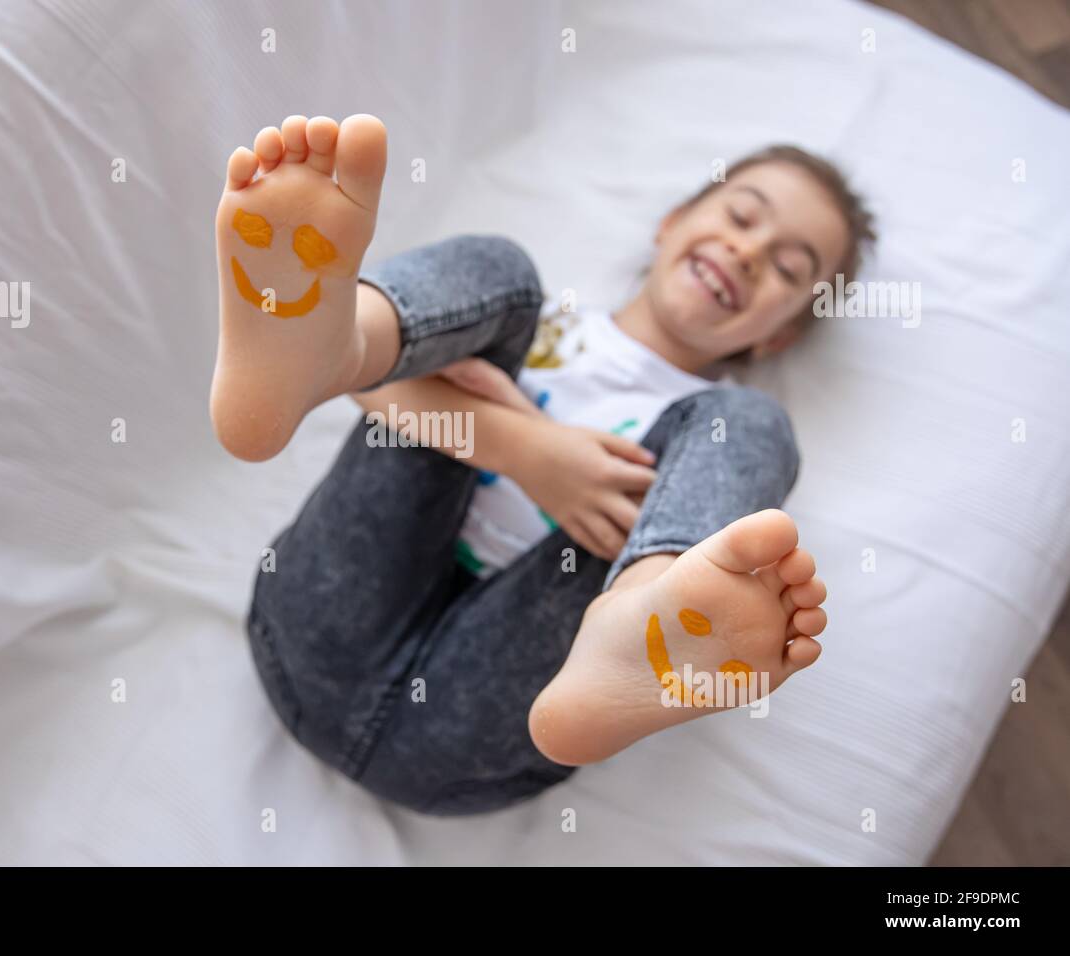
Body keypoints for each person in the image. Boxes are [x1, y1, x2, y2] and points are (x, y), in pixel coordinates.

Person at [210, 114, 874, 815]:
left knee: (753, 426)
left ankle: (641, 612)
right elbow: (377, 397)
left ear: (780, 336)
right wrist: (525, 449)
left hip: (487, 724)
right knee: (503, 272)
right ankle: (330, 342)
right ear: (671, 222)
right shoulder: (525, 325)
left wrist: (494, 423)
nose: (748, 253)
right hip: (319, 622)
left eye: (787, 269)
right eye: (742, 216)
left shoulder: (709, 433)